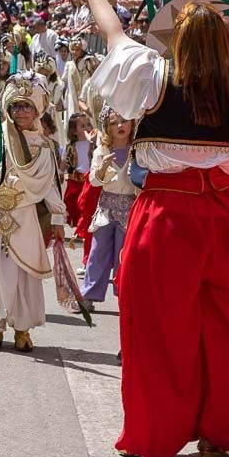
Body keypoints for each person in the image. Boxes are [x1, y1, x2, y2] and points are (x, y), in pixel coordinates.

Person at [60, 0, 229, 457]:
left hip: (168, 215)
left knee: (157, 330)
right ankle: (217, 433)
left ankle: (156, 434)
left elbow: (113, 32)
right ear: (225, 38)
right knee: (226, 330)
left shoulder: (151, 74)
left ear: (174, 40)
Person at [0, 72, 66, 352]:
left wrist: (58, 218)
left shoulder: (44, 145)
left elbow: (50, 186)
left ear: (37, 109)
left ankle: (22, 328)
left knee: (25, 272)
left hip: (25, 216)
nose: (21, 112)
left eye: (27, 105)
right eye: (15, 106)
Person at [79, 107, 138, 308]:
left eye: (124, 121)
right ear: (107, 127)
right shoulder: (102, 151)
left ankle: (126, 294)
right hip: (106, 209)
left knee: (125, 255)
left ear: (132, 123)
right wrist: (103, 168)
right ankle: (88, 295)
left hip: (130, 209)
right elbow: (95, 182)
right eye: (114, 123)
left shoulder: (137, 150)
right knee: (98, 252)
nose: (120, 126)